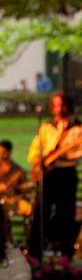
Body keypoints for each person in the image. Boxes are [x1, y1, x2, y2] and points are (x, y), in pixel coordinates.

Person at [27, 92, 82, 258]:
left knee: (66, 212)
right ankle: (34, 253)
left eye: (61, 105)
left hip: (66, 173)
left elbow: (78, 153)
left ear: (69, 106)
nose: (58, 109)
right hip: (47, 174)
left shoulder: (78, 129)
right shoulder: (46, 127)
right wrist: (38, 160)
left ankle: (65, 254)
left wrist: (63, 155)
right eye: (55, 105)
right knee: (40, 211)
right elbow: (36, 148)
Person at [0, 139, 27, 215]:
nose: (1, 155)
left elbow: (24, 191)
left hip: (13, 202)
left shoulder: (19, 171)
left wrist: (15, 199)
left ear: (10, 152)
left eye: (3, 152)